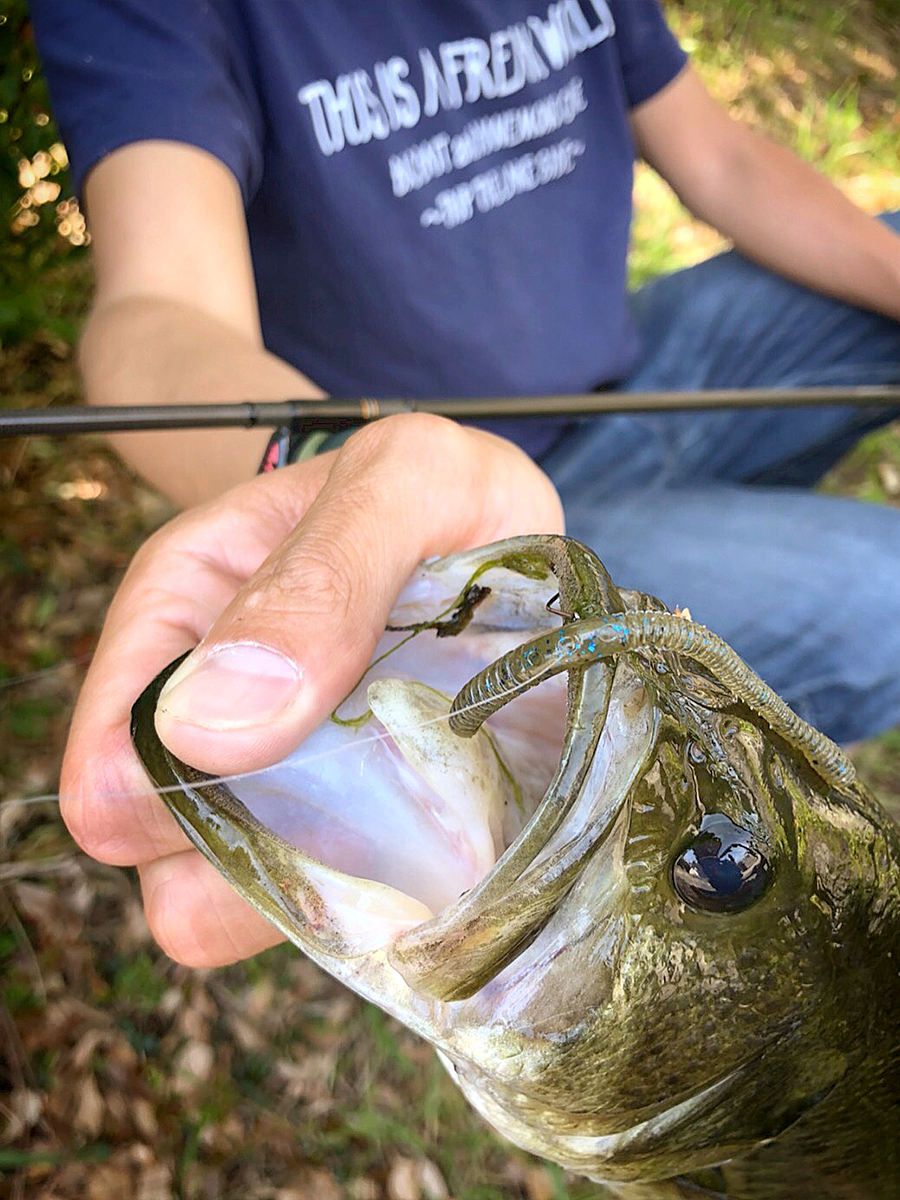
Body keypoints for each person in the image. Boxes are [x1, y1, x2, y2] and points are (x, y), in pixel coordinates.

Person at [29, 0, 900, 968]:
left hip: (642, 380)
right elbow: (155, 311)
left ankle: (724, 544)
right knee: (887, 593)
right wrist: (338, 479)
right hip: (478, 542)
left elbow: (719, 156)